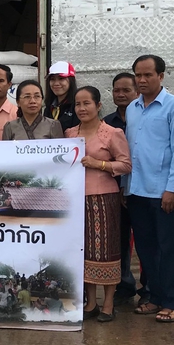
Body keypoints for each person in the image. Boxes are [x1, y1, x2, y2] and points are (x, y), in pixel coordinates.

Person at [125, 54, 174, 324]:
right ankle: (155, 296)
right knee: (146, 249)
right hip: (136, 190)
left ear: (161, 76)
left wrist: (172, 189)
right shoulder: (132, 108)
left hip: (163, 191)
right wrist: (125, 188)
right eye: (138, 75)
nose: (142, 80)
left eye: (148, 75)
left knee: (170, 248)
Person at [65, 86, 131, 323]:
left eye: (87, 103)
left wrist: (99, 164)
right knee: (84, 251)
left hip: (103, 198)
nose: (82, 108)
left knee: (105, 251)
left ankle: (109, 303)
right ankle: (91, 303)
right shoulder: (70, 134)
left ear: (98, 105)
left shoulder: (111, 133)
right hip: (76, 199)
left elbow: (126, 164)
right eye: (78, 104)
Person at [106, 73, 147, 307]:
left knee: (145, 241)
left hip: (142, 189)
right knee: (119, 241)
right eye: (116, 90)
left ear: (137, 92)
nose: (120, 94)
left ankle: (149, 288)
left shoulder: (142, 118)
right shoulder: (106, 123)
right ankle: (123, 286)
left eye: (126, 90)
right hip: (115, 192)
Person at [45, 61, 79, 132]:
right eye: (52, 79)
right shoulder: (49, 108)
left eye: (61, 78)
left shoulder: (77, 106)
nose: (56, 83)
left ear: (71, 81)